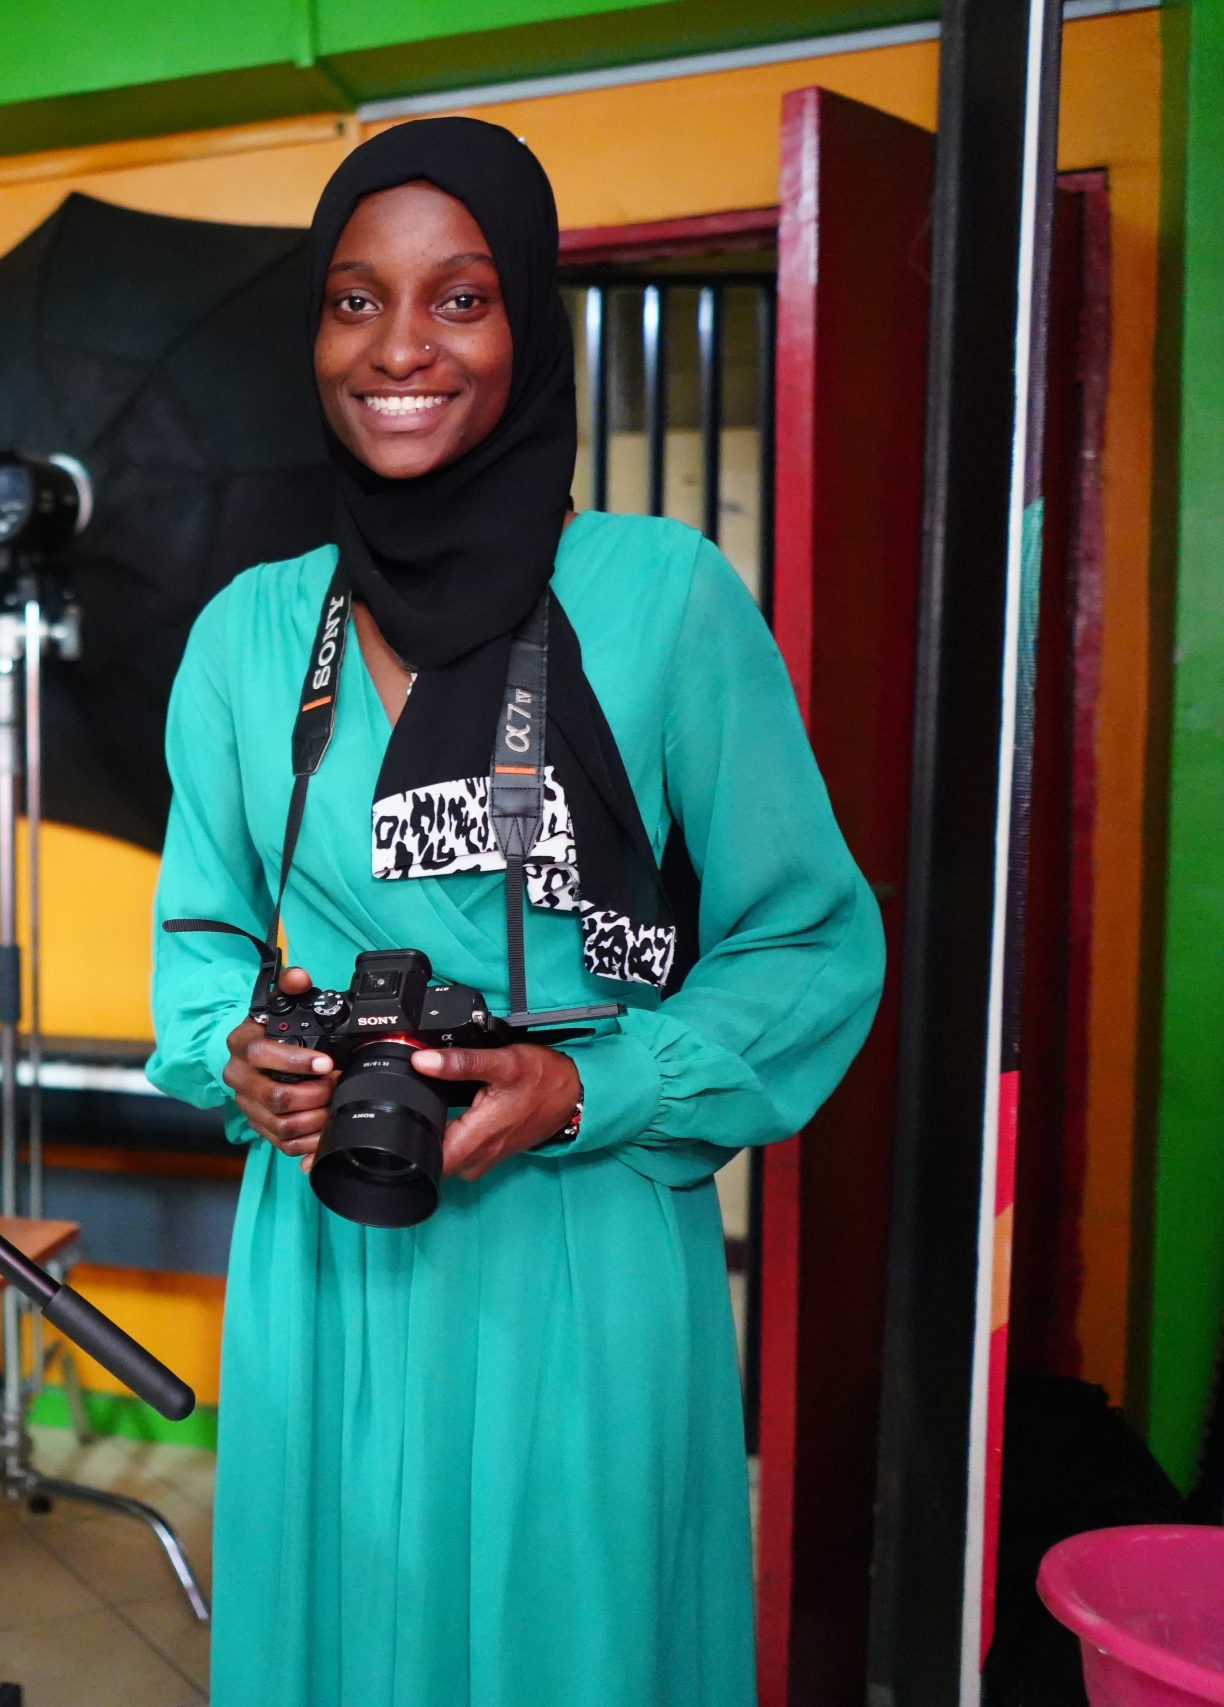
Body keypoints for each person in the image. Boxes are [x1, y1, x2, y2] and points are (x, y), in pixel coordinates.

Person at [147, 117, 885, 1705]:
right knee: (342, 1638)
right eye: (354, 301)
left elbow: (814, 945)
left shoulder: (663, 600)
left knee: (573, 1648)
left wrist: (586, 1086)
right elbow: (201, 939)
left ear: (527, 322)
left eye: (459, 298)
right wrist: (234, 1056)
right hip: (334, 1234)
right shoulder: (250, 638)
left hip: (581, 1235)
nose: (400, 347)